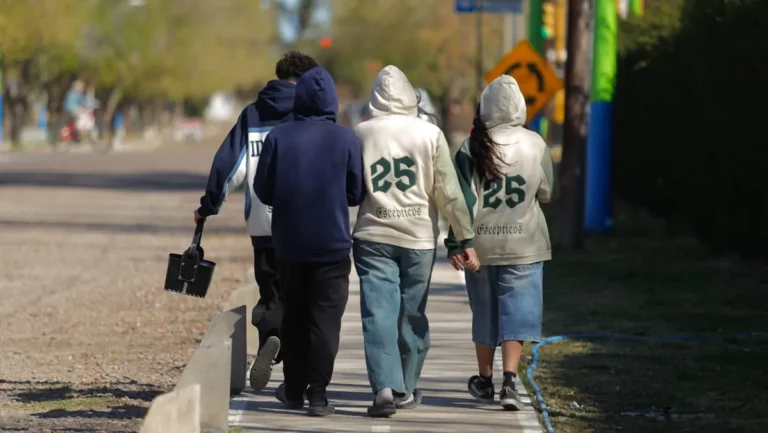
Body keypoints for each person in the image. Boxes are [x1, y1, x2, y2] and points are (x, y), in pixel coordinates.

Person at [352, 65, 479, 418]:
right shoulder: (430, 133)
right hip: (419, 237)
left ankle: (383, 389)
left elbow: (350, 185)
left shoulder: (360, 133)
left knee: (377, 314)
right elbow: (448, 191)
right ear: (411, 96)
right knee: (412, 313)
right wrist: (463, 236)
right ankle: (406, 386)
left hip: (372, 234)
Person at [193, 51, 319, 391]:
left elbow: (228, 167)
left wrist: (209, 204)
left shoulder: (253, 114)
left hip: (263, 223)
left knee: (271, 292)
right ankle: (299, 369)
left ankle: (270, 338)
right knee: (304, 295)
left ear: (277, 77)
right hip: (306, 223)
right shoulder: (313, 112)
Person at [253, 66, 365, 417]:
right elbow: (356, 192)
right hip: (331, 245)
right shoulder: (347, 139)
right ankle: (318, 394)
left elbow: (262, 189)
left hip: (289, 244)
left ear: (299, 98)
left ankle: (293, 389)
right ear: (332, 100)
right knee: (325, 322)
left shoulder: (278, 138)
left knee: (296, 318)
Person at [445, 75, 555, 411]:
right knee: (517, 313)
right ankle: (510, 380)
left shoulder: (471, 145)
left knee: (485, 312)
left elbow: (459, 199)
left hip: (480, 246)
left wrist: (457, 242)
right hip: (526, 243)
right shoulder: (536, 143)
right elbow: (547, 193)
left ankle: (484, 379)